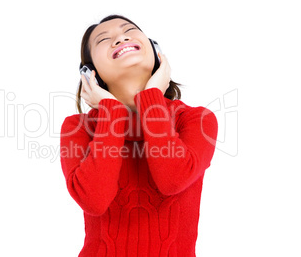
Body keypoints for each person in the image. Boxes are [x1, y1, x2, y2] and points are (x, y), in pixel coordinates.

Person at [60, 14, 218, 257]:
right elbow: (94, 200)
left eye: (129, 30)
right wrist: (112, 112)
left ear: (156, 50)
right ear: (90, 73)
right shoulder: (78, 127)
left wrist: (152, 96)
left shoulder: (197, 120)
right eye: (104, 39)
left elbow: (172, 179)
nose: (121, 38)